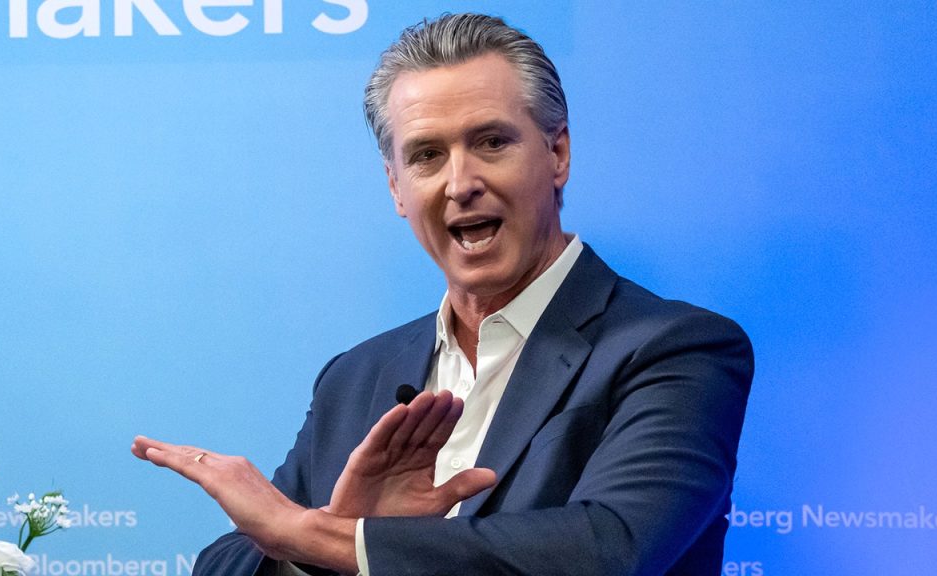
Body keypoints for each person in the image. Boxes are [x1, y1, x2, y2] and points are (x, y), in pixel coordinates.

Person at [132, 13, 753, 576]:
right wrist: (321, 544)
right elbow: (231, 561)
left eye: (491, 142)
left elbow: (610, 550)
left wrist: (341, 540)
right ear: (396, 188)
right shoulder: (355, 375)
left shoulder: (675, 348)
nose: (461, 183)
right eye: (427, 155)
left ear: (558, 153)